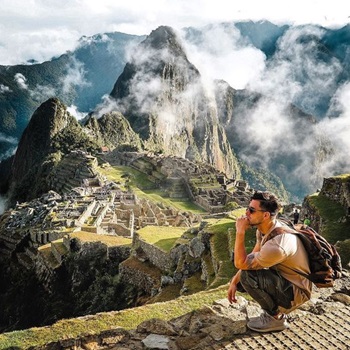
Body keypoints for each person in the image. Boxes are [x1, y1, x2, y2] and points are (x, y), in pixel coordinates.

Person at [227, 191, 312, 332]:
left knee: (247, 277)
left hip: (296, 291)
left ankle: (275, 318)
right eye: (248, 208)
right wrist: (234, 282)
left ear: (265, 215)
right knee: (241, 279)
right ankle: (273, 307)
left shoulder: (276, 246)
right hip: (287, 279)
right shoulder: (267, 228)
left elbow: (241, 264)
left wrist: (240, 232)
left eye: (252, 210)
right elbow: (252, 256)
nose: (246, 213)